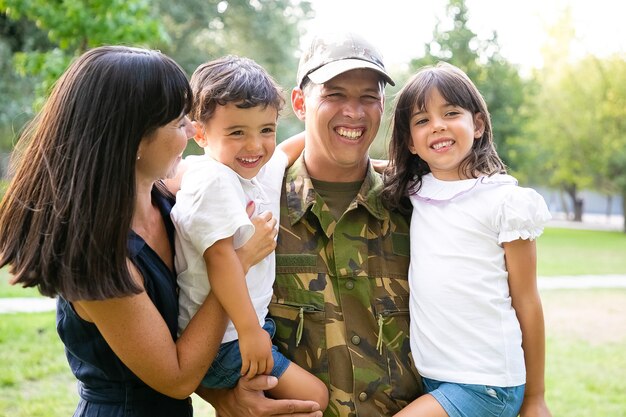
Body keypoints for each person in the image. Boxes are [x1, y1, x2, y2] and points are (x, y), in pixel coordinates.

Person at [0, 45, 283, 416]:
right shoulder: (97, 257)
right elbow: (177, 376)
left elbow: (276, 160)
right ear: (132, 138)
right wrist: (238, 262)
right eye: (179, 123)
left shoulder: (164, 200)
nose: (191, 132)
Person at [200, 32, 423, 417]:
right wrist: (222, 398)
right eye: (335, 95)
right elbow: (193, 321)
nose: (353, 112)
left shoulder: (416, 207)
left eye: (368, 97)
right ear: (300, 103)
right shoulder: (251, 210)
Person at [382, 62, 552, 417]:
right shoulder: (416, 189)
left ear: (477, 125)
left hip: (486, 382)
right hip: (434, 378)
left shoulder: (505, 202)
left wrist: (535, 398)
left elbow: (528, 302)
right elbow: (343, 157)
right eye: (421, 120)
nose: (438, 125)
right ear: (410, 142)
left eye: (451, 112)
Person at [170, 55, 328, 409]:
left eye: (266, 129)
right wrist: (249, 331)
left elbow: (287, 150)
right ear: (200, 133)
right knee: (315, 397)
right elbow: (221, 259)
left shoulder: (251, 170)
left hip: (245, 331)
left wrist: (363, 157)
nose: (255, 145)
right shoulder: (213, 178)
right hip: (223, 341)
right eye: (237, 132)